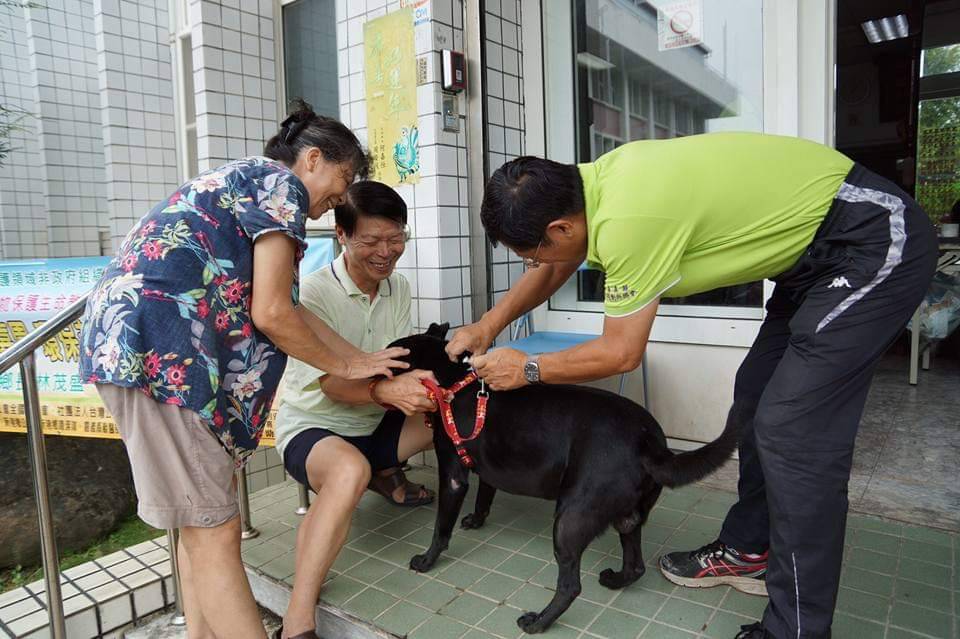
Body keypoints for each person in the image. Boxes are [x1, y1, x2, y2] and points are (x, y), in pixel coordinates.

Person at [446, 132, 938, 639]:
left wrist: (527, 369)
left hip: (870, 237)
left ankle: (796, 630)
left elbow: (620, 352)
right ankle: (749, 548)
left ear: (560, 227)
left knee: (792, 433)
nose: (534, 265)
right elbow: (558, 263)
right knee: (755, 398)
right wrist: (488, 325)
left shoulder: (629, 220)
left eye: (530, 255)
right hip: (808, 264)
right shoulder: (588, 191)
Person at [79, 100, 409, 639]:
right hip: (167, 358)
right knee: (216, 533)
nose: (339, 199)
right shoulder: (281, 186)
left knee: (200, 527)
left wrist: (357, 359)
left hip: (142, 350)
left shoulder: (245, 183)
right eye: (343, 179)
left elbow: (286, 309)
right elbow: (273, 314)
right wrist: (350, 363)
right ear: (312, 159)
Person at [274, 181, 437, 639]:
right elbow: (331, 387)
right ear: (342, 235)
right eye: (371, 240)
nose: (386, 252)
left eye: (396, 238)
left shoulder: (397, 286)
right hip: (315, 428)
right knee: (348, 471)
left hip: (374, 423)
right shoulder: (313, 295)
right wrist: (387, 393)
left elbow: (395, 359)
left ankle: (383, 472)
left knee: (448, 412)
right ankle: (298, 618)